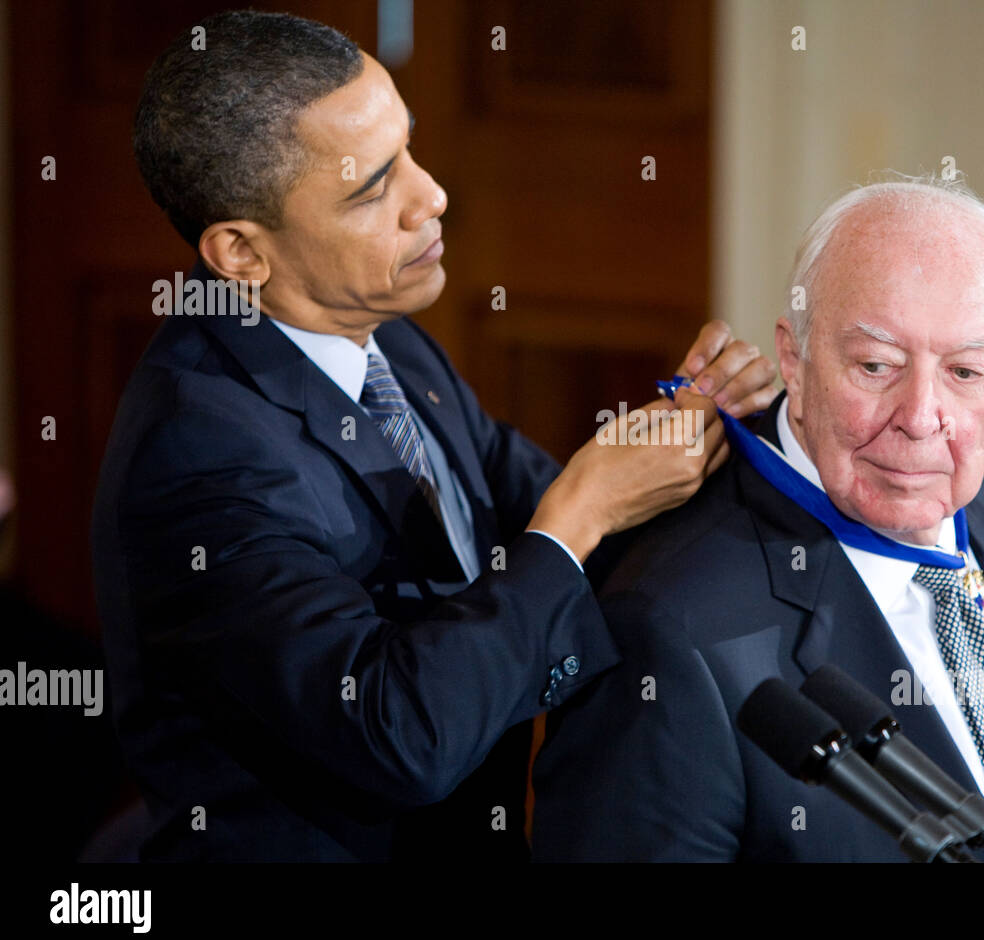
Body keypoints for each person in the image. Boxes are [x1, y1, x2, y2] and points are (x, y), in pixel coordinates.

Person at [91, 11, 776, 862]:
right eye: (373, 188)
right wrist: (577, 516)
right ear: (240, 252)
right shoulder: (198, 457)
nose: (432, 196)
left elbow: (546, 526)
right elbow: (400, 734)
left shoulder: (384, 334)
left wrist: (704, 423)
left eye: (409, 147)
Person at [532, 177, 984, 862]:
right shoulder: (668, 630)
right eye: (877, 365)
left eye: (966, 373)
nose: (920, 417)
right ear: (794, 354)